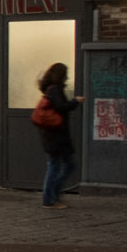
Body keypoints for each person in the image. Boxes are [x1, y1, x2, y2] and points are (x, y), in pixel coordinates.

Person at [35, 63, 83, 209]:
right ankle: (49, 198)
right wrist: (75, 102)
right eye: (65, 74)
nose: (67, 77)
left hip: (55, 135)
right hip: (56, 136)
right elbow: (60, 107)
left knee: (63, 165)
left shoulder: (51, 89)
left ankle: (52, 195)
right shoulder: (55, 90)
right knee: (56, 166)